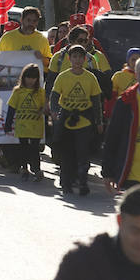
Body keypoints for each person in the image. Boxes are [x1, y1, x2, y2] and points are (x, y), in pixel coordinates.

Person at [50, 44, 103, 196]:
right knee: (67, 154)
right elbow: (54, 96)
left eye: (80, 57)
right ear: (69, 58)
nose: (77, 60)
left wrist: (99, 122)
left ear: (85, 59)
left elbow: (96, 101)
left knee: (83, 154)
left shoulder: (90, 77)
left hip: (84, 121)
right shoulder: (63, 76)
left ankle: (83, 182)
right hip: (66, 120)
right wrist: (54, 112)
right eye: (74, 57)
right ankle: (66, 183)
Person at [103, 56, 140, 191]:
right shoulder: (125, 102)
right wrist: (107, 173)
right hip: (132, 177)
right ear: (136, 75)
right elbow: (112, 137)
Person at [3, 64, 46, 181]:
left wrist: (43, 110)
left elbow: (45, 107)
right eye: (28, 77)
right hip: (22, 125)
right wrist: (7, 124)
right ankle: (24, 167)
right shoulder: (18, 92)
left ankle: (36, 168)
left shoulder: (40, 92)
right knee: (23, 147)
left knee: (34, 148)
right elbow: (11, 108)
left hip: (36, 126)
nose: (30, 80)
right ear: (23, 77)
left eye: (33, 78)